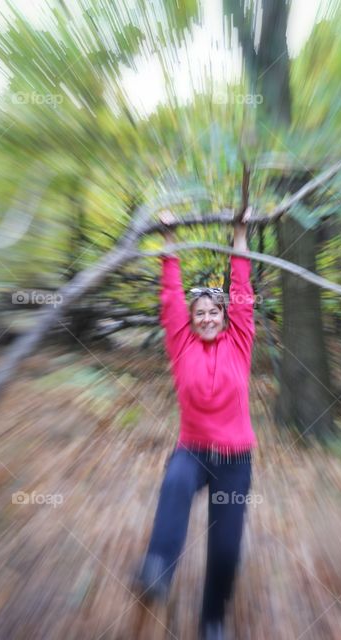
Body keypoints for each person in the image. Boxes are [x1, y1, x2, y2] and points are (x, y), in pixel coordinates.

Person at [134, 208, 256, 640]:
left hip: (235, 458)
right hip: (193, 450)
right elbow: (170, 294)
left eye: (213, 311)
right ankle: (158, 568)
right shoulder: (179, 340)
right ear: (191, 318)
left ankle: (212, 620)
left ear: (225, 315)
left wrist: (240, 234)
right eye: (199, 312)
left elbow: (241, 288)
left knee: (225, 550)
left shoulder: (239, 341)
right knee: (174, 485)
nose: (206, 318)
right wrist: (169, 237)